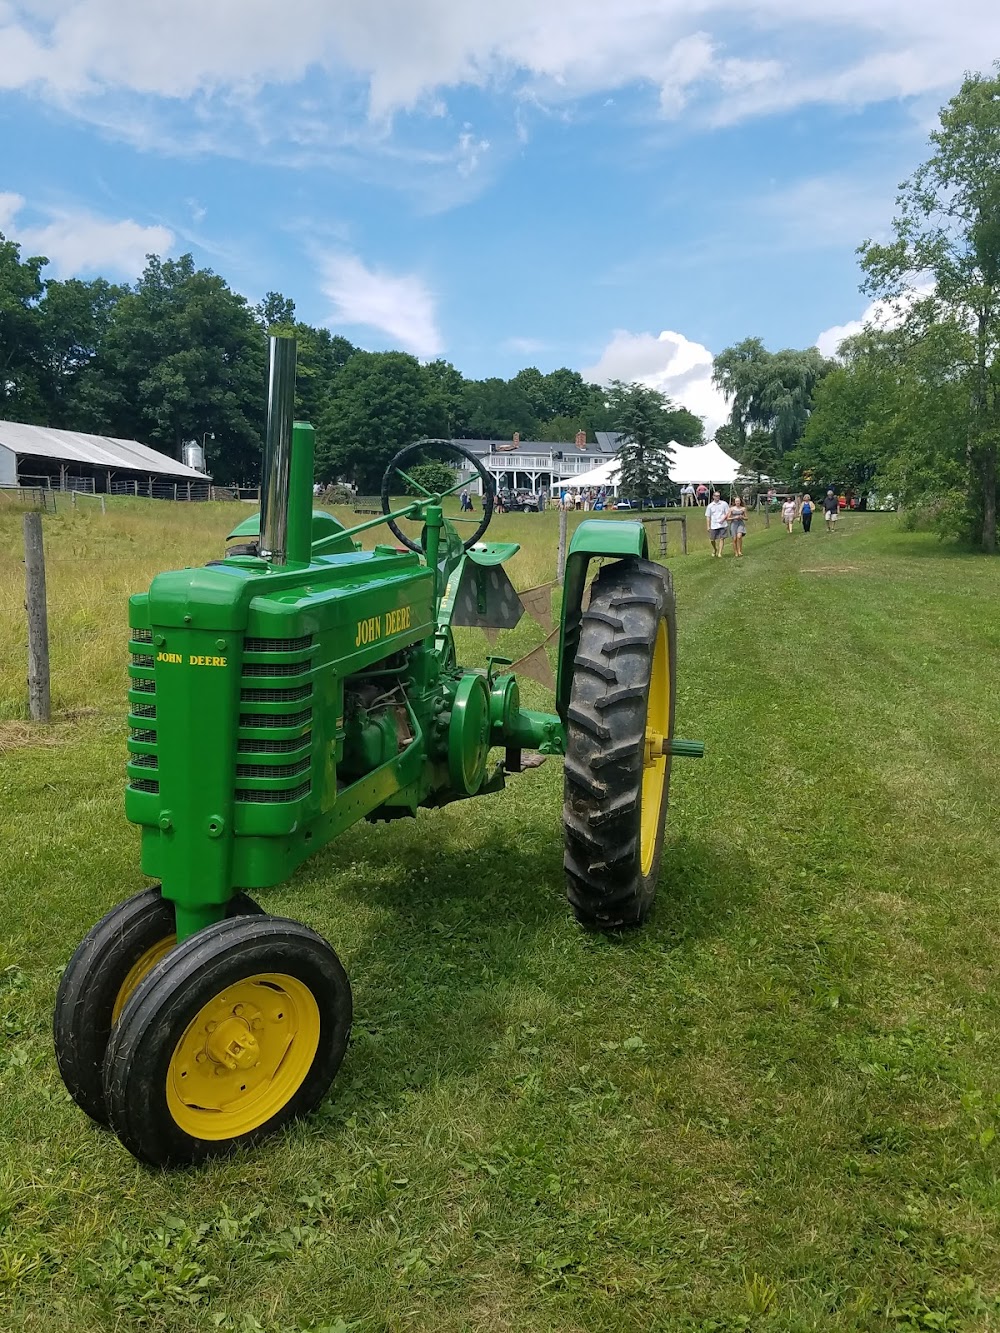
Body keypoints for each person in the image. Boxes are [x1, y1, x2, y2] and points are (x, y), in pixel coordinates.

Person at [705, 491, 730, 558]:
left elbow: (728, 513)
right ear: (713, 497)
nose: (717, 497)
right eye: (716, 496)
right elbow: (708, 516)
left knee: (722, 538)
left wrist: (723, 519)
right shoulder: (710, 506)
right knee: (712, 539)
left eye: (718, 496)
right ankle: (715, 549)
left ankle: (720, 553)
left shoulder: (724, 504)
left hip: (723, 524)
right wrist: (708, 526)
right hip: (714, 525)